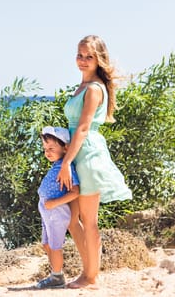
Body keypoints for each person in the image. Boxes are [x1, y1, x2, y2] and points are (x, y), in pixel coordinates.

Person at [57, 35, 132, 290]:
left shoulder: (93, 89)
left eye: (89, 56)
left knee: (88, 220)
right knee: (71, 218)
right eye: (80, 55)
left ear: (99, 59)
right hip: (75, 153)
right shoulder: (81, 86)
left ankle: (90, 277)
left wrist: (66, 163)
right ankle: (87, 270)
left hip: (86, 155)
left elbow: (83, 128)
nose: (83, 60)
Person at [35, 126, 80, 289]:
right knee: (46, 244)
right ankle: (55, 271)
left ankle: (57, 277)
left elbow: (75, 191)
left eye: (51, 148)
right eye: (45, 148)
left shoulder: (66, 168)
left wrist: (54, 203)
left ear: (65, 147)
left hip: (56, 211)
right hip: (47, 210)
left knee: (55, 246)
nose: (47, 152)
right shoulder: (57, 166)